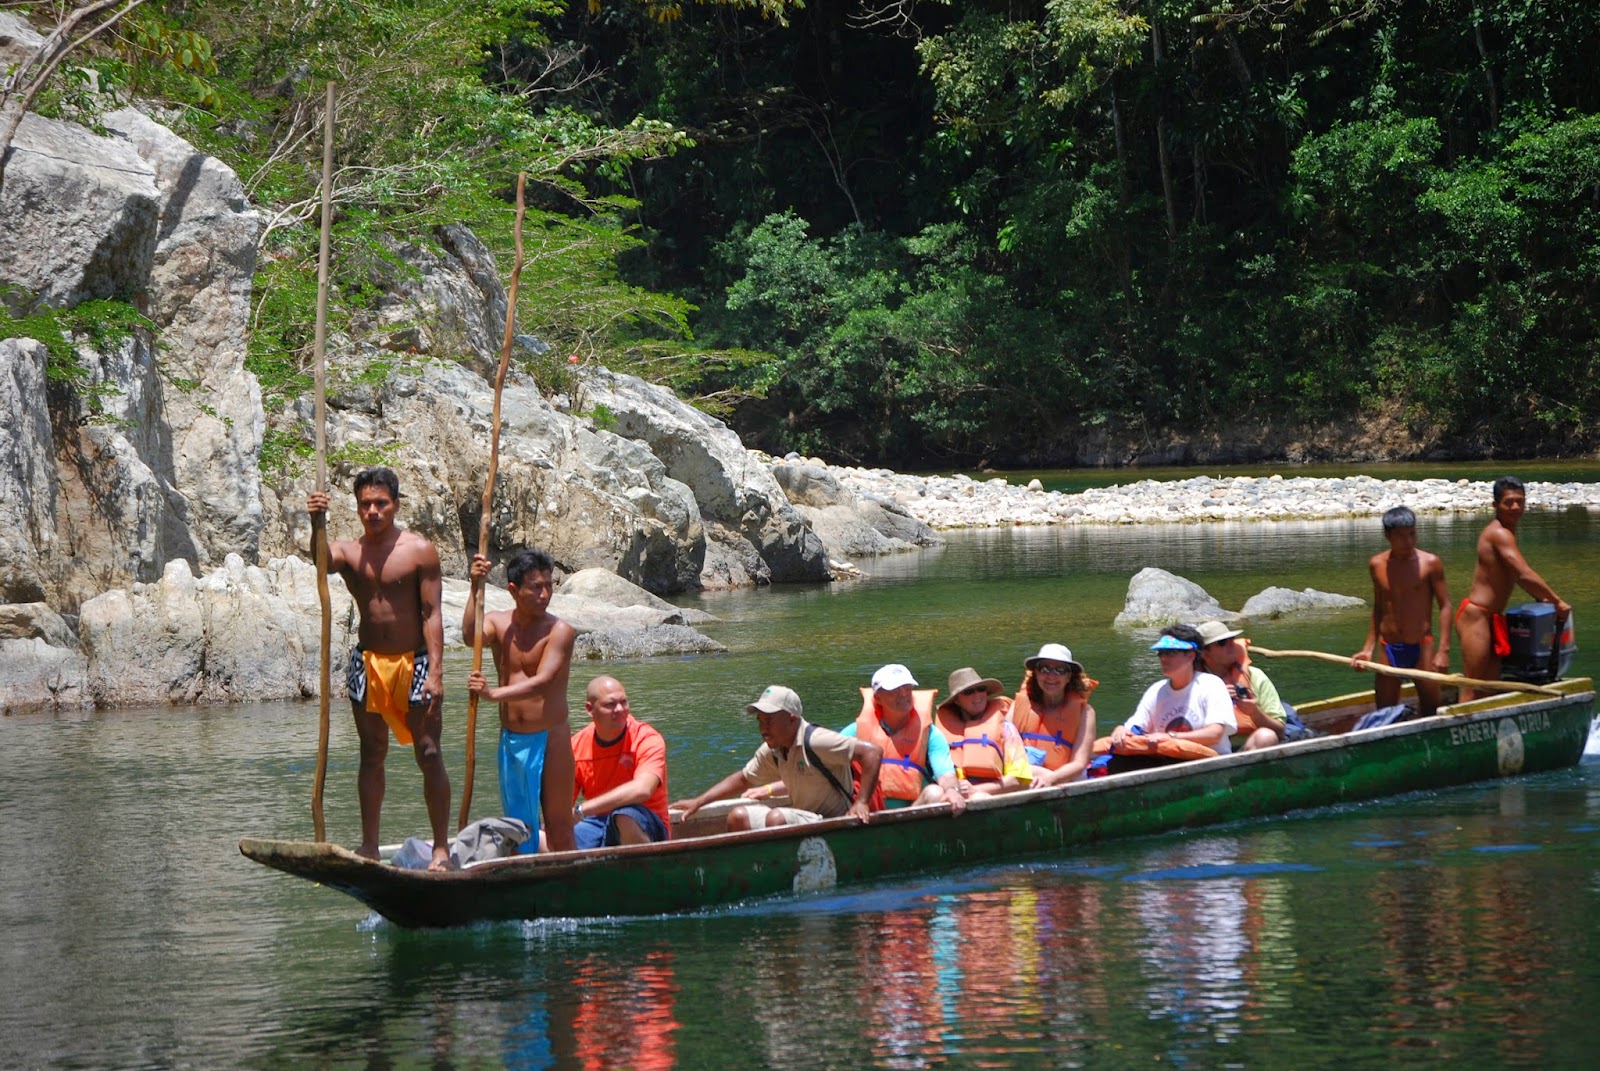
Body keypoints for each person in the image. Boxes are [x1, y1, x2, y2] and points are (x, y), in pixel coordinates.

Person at [308, 467, 452, 870]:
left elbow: (433, 612)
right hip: (368, 662)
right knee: (371, 753)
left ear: (396, 505)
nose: (372, 511)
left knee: (429, 750)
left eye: (381, 503)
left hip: (416, 660)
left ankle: (441, 846)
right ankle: (370, 845)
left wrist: (437, 672)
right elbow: (320, 561)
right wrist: (316, 522)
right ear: (356, 507)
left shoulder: (419, 550)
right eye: (365, 504)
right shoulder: (350, 551)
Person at [464, 547, 577, 853]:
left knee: (559, 826)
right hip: (513, 740)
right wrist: (475, 586)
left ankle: (570, 887)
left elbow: (542, 682)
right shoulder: (499, 623)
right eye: (536, 587)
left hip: (552, 738)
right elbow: (470, 636)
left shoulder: (561, 631)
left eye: (549, 586)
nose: (545, 594)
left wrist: (492, 694)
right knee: (519, 829)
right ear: (513, 590)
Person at [670, 685, 883, 830]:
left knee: (777, 818)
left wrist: (862, 802)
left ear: (791, 719)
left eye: (769, 720)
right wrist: (698, 801)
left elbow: (872, 752)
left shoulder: (817, 741)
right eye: (760, 721)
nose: (763, 728)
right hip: (803, 817)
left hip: (834, 822)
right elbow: (743, 779)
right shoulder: (772, 750)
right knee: (738, 816)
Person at [1456, 477, 1571, 700]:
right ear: (1495, 505)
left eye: (1520, 501)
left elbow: (1517, 577)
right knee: (1472, 684)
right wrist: (1556, 601)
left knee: (1489, 687)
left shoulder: (1508, 532)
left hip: (1492, 618)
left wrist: (1543, 598)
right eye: (1509, 502)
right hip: (1476, 617)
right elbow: (1523, 573)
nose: (1516, 507)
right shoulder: (1499, 533)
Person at [1350, 506, 1453, 717]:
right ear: (1388, 536)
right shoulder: (1377, 564)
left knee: (1430, 710)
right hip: (1389, 647)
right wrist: (1367, 648)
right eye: (1401, 536)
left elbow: (1445, 606)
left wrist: (1443, 651)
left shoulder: (1430, 563)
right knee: (1384, 713)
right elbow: (1379, 608)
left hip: (1422, 646)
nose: (1408, 541)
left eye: (1412, 534)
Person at [841, 664, 966, 813]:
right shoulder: (855, 732)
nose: (903, 694)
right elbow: (825, 759)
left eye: (907, 688)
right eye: (894, 690)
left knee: (935, 792)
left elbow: (945, 774)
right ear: (877, 698)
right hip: (868, 812)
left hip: (912, 811)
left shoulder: (930, 733)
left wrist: (952, 790)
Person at [570, 676, 670, 849]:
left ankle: (646, 873)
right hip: (597, 823)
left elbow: (642, 789)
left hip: (645, 824)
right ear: (590, 709)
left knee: (624, 817)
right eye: (610, 704)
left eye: (623, 702)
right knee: (542, 838)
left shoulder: (647, 738)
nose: (620, 709)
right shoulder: (575, 746)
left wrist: (583, 810)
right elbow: (563, 806)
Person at [1112, 624, 1237, 756]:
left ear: (1191, 656)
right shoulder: (1156, 690)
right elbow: (1135, 727)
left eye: (1170, 653)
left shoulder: (1211, 685)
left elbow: (1214, 734)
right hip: (1164, 762)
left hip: (1208, 764)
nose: (1163, 658)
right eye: (1161, 653)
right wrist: (1121, 730)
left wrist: (1171, 736)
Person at [933, 667, 1032, 797]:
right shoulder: (939, 735)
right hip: (955, 795)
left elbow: (1019, 780)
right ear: (956, 700)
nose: (977, 695)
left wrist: (976, 790)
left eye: (981, 689)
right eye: (968, 692)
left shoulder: (1006, 729)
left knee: (979, 797)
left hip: (992, 796)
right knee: (935, 794)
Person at [1010, 643, 1096, 787]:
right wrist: (1036, 774)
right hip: (1022, 777)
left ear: (1069, 676)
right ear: (1036, 673)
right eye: (1044, 669)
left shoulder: (1086, 713)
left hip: (1066, 782)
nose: (1051, 676)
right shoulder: (1017, 706)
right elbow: (1005, 749)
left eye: (1060, 670)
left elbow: (1079, 763)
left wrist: (1050, 779)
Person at [1196, 620, 1287, 750]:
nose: (1231, 645)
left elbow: (1280, 731)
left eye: (1231, 639)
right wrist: (1215, 699)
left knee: (1266, 736)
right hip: (1210, 751)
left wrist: (1254, 712)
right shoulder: (1193, 684)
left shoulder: (1255, 675)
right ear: (1204, 653)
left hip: (1249, 748)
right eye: (1222, 643)